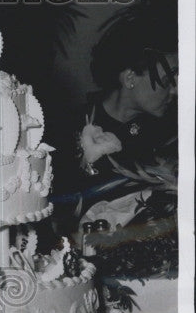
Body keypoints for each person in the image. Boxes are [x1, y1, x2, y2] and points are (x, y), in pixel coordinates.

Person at [51, 19, 178, 221]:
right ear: (129, 79)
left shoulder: (168, 135)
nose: (175, 90)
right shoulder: (65, 126)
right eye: (168, 81)